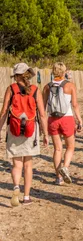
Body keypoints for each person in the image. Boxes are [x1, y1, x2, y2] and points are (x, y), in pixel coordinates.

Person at [0, 63, 49, 206]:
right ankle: (26, 197)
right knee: (28, 164)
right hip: (30, 129)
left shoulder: (11, 89)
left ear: (16, 76)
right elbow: (42, 114)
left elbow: (3, 112)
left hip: (14, 129)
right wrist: (45, 134)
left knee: (16, 163)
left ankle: (16, 187)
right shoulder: (35, 90)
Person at [43, 62, 83, 185]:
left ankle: (58, 178)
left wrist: (42, 125)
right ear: (65, 72)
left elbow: (43, 107)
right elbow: (75, 105)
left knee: (57, 149)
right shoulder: (70, 86)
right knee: (70, 146)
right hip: (67, 118)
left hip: (53, 119)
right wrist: (79, 119)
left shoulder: (47, 87)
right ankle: (65, 167)